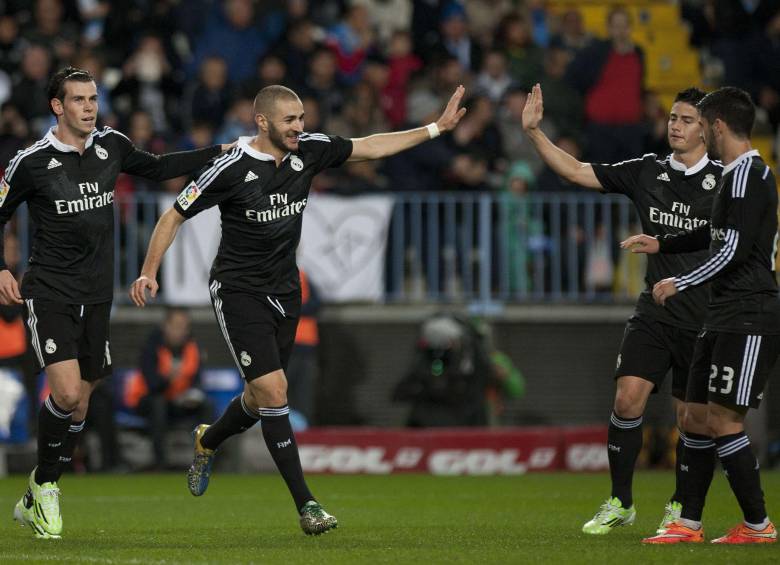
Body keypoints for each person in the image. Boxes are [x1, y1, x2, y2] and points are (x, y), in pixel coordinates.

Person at [129, 84, 467, 535]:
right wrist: (148, 271)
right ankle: (307, 505)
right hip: (238, 291)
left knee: (259, 399)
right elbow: (173, 215)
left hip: (286, 291)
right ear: (262, 122)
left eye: (302, 118)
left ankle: (208, 439)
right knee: (274, 392)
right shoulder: (230, 167)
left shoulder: (309, 150)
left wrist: (435, 128)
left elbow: (371, 146)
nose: (299, 127)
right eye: (290, 120)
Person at [0, 66, 233, 540]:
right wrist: (1, 268)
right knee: (66, 394)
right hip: (50, 291)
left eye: (93, 99)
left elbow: (159, 166)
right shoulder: (31, 162)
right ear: (57, 106)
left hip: (96, 294)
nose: (90, 107)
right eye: (79, 99)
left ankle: (34, 491)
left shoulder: (111, 145)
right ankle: (47, 489)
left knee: (80, 406)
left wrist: (217, 151)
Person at [522, 83, 722, 535]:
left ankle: (681, 507)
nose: (676, 126)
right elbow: (577, 171)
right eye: (672, 117)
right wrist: (534, 133)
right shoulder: (648, 170)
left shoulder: (726, 181)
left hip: (704, 318)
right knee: (627, 400)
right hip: (654, 311)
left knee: (692, 420)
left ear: (707, 129)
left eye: (687, 120)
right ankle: (620, 501)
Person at [626, 87, 780, 545]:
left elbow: (732, 250)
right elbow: (710, 233)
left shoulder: (748, 176)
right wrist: (663, 243)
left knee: (724, 422)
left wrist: (682, 280)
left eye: (701, 124)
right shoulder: (737, 175)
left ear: (716, 126)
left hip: (748, 313)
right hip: (721, 312)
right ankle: (688, 523)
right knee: (694, 416)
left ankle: (758, 526)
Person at [125, 307, 210, 469]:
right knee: (159, 403)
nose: (180, 331)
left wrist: (192, 395)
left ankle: (205, 459)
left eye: (184, 327)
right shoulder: (151, 348)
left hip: (179, 402)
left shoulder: (193, 349)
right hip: (147, 401)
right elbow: (152, 385)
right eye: (176, 326)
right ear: (166, 326)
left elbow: (197, 381)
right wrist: (168, 378)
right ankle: (160, 462)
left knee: (207, 406)